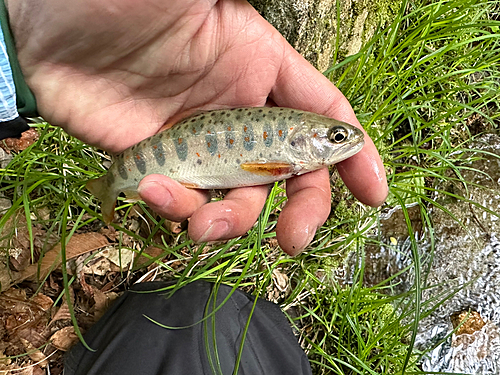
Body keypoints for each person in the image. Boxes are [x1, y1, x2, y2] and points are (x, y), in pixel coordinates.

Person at [1, 1, 388, 373]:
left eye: (337, 137)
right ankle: (111, 185)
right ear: (302, 140)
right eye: (336, 137)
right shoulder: (284, 160)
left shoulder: (290, 150)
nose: (345, 143)